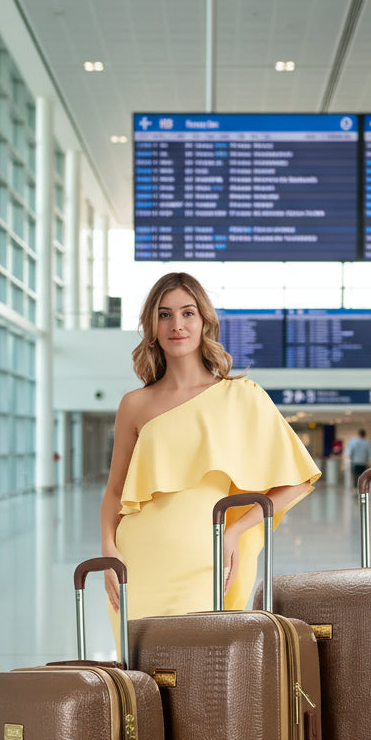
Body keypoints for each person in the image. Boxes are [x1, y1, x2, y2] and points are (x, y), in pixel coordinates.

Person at [100, 272, 320, 647]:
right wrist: (108, 551)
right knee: (142, 674)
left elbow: (298, 478)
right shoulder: (134, 404)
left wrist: (235, 530)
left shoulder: (242, 396)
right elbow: (115, 491)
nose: (177, 325)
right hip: (138, 562)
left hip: (207, 558)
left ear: (204, 322)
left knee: (202, 674)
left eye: (187, 313)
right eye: (165, 314)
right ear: (152, 326)